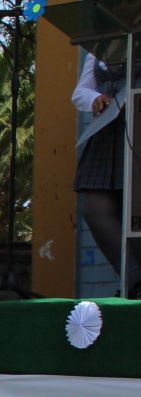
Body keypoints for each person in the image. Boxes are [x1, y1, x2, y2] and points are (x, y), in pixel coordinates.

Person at [72, 43, 133, 291]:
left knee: (135, 212)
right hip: (107, 129)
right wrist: (95, 98)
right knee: (94, 207)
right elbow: (80, 92)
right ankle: (134, 280)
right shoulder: (101, 41)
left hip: (137, 124)